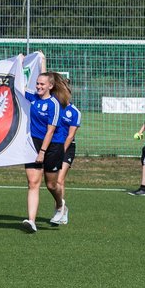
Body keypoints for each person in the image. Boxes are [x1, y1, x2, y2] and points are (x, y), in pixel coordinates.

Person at [18, 63, 64, 233]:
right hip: (33, 144)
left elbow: (51, 131)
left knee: (51, 185)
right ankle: (31, 220)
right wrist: (20, 63)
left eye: (42, 84)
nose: (38, 86)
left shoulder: (54, 104)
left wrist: (42, 152)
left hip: (52, 146)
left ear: (50, 86)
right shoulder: (33, 97)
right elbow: (19, 86)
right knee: (32, 182)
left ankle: (60, 205)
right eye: (37, 83)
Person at [51, 90, 81, 226]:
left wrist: (61, 151)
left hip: (67, 148)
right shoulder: (55, 107)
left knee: (59, 179)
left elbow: (70, 135)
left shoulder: (75, 112)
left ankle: (59, 210)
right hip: (53, 146)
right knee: (52, 182)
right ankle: (63, 208)